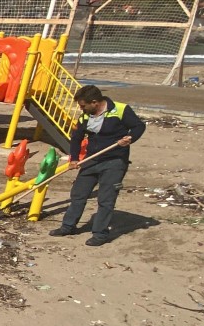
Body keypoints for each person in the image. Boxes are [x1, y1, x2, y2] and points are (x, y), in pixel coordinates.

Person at [49, 84, 145, 246]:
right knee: (78, 194)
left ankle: (100, 234)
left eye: (83, 105)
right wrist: (73, 159)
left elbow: (139, 126)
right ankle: (68, 226)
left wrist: (129, 138)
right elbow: (76, 137)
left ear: (94, 102)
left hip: (114, 161)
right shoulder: (86, 116)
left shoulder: (120, 110)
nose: (81, 108)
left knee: (106, 199)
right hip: (91, 159)